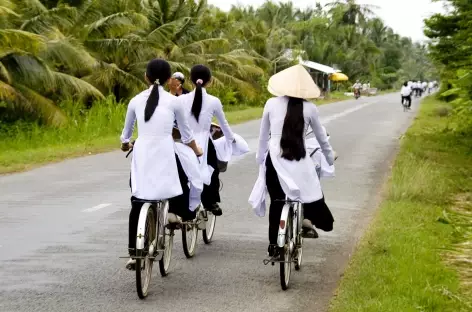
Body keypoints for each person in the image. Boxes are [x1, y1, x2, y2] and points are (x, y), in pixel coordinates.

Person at [120, 58, 203, 269]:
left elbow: (125, 136)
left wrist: (125, 145)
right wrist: (196, 149)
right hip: (165, 152)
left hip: (142, 154)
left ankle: (134, 252)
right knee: (177, 183)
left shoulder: (135, 101)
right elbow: (186, 134)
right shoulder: (174, 102)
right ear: (169, 80)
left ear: (145, 77)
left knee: (137, 199)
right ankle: (173, 214)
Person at [249, 64, 335, 257]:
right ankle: (305, 221)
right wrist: (329, 158)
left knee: (277, 202)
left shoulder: (271, 104)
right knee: (310, 193)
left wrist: (260, 158)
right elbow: (322, 139)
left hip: (275, 162)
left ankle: (274, 246)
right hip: (300, 162)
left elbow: (263, 137)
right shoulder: (310, 108)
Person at [175, 65, 235, 217]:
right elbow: (223, 124)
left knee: (180, 170)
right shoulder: (214, 101)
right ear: (209, 81)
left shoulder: (181, 100)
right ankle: (210, 200)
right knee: (213, 166)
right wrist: (231, 139)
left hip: (184, 141)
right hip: (204, 142)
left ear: (190, 80)